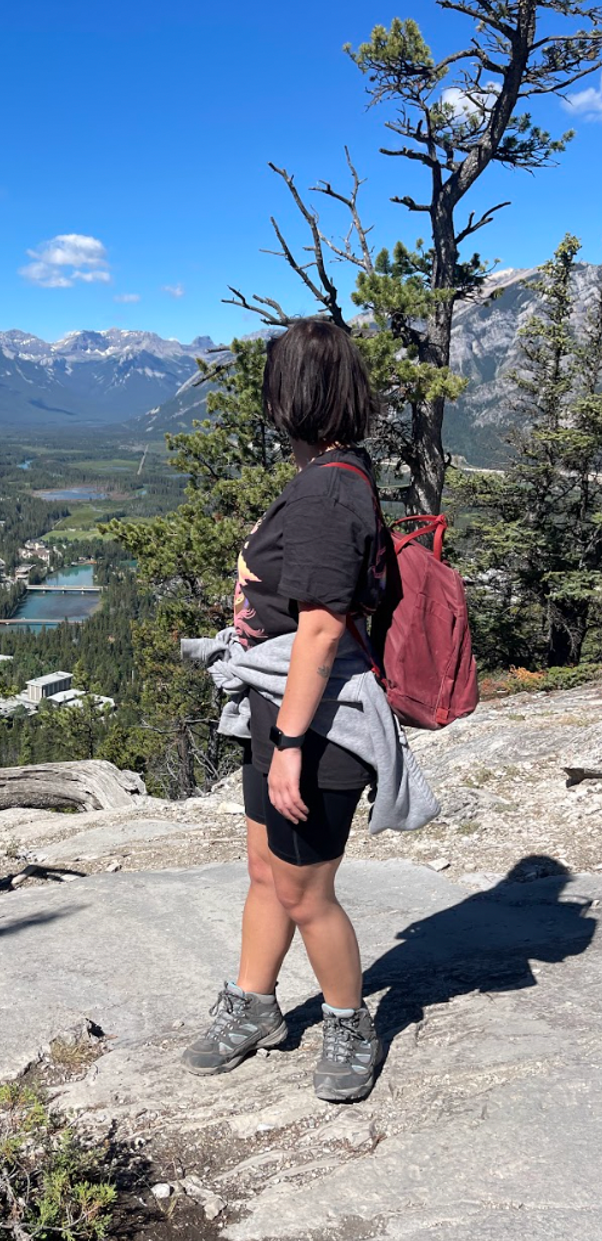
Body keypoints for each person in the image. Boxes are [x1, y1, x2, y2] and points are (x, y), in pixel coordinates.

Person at [180, 319, 431, 1102]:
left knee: (305, 892)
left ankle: (352, 1022)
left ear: (290, 395)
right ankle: (255, 1005)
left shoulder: (327, 490)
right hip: (282, 706)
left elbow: (321, 630)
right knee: (267, 871)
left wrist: (289, 743)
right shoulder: (330, 474)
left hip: (317, 725)